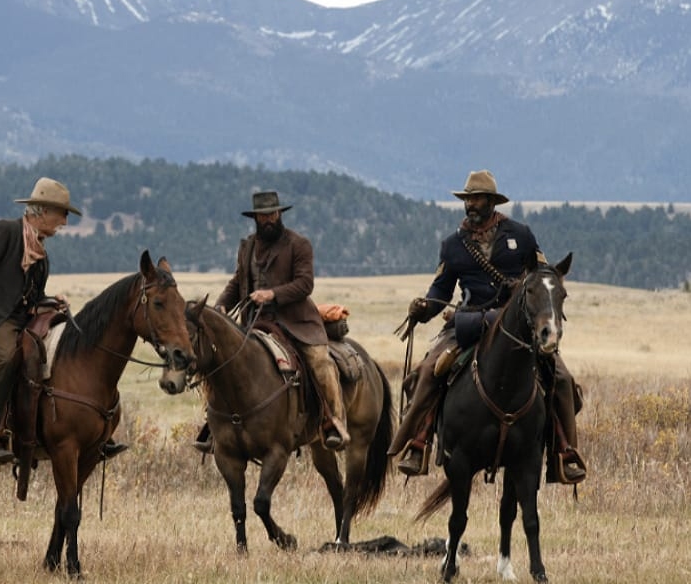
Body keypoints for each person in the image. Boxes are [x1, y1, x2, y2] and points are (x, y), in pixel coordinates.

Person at [387, 170, 585, 482]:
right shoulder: (453, 245)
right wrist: (425, 308)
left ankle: (565, 451)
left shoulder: (520, 235)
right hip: (465, 324)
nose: (471, 205)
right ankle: (418, 441)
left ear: (492, 202)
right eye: (467, 199)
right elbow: (441, 291)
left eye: (476, 199)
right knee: (429, 370)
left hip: (516, 325)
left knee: (561, 378)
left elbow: (542, 273)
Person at [0, 177, 123, 468]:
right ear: (41, 211)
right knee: (5, 358)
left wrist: (52, 301)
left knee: (62, 353)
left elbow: (32, 295)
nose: (64, 221)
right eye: (61, 213)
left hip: (23, 319)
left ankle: (79, 431)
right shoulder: (5, 232)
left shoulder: (40, 253)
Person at [193, 190, 351, 452]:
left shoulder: (298, 244)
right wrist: (221, 305)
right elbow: (237, 282)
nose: (268, 219)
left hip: (295, 323)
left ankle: (334, 421)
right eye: (263, 215)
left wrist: (272, 294)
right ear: (255, 218)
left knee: (320, 362)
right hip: (254, 323)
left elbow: (305, 284)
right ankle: (215, 426)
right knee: (220, 361)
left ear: (279, 214)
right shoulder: (247, 247)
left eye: (272, 214)